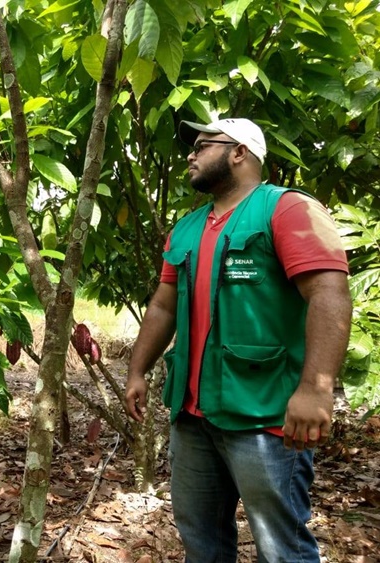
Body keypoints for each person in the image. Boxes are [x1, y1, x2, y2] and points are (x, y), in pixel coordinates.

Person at [124, 117, 352, 562]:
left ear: (239, 153)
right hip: (193, 418)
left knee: (280, 547)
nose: (190, 154)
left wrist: (315, 389)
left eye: (202, 145)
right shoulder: (187, 227)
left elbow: (329, 293)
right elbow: (163, 306)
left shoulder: (287, 209)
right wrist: (137, 370)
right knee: (201, 540)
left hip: (264, 418)